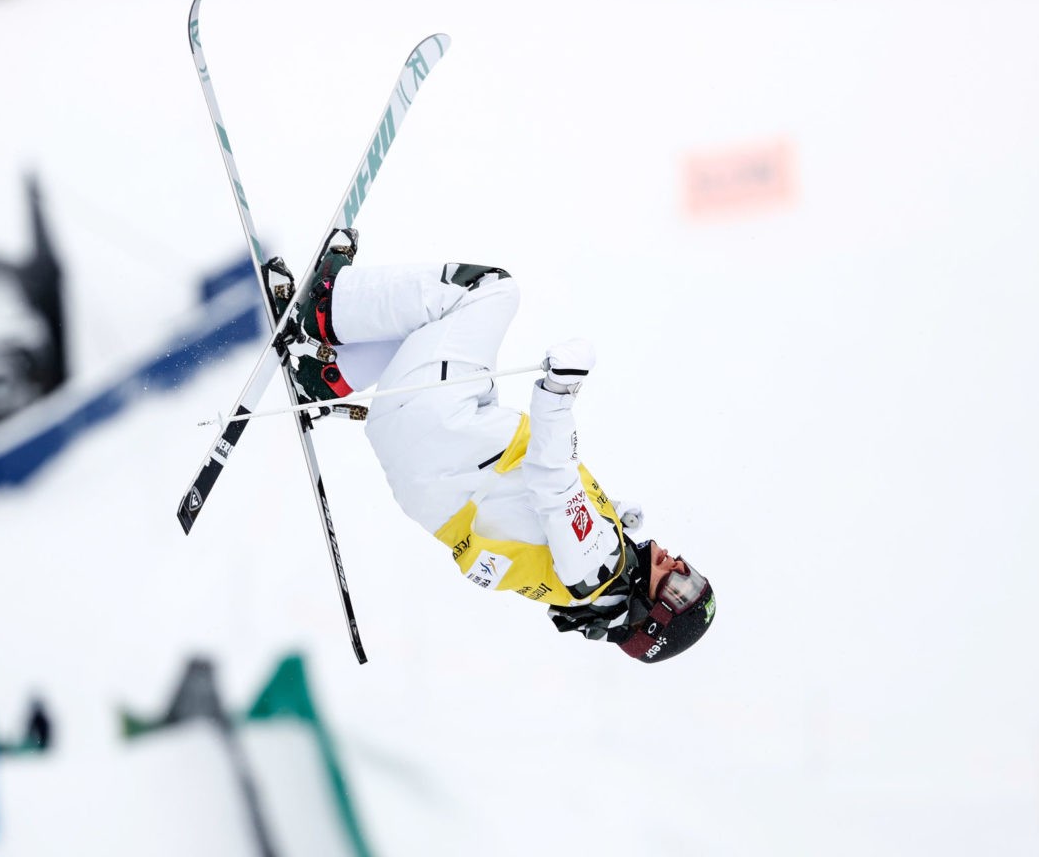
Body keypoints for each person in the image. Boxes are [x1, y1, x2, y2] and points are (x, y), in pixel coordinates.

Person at [273, 230, 716, 664]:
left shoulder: (598, 564)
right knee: (438, 333)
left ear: (651, 616)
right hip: (434, 454)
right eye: (690, 574)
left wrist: (559, 391)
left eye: (680, 589)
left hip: (443, 432)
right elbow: (532, 518)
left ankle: (329, 306)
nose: (677, 565)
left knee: (489, 291)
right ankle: (328, 377)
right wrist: (615, 512)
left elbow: (553, 481)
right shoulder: (589, 585)